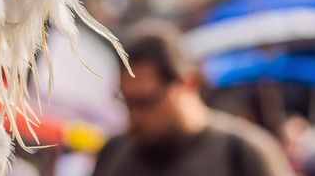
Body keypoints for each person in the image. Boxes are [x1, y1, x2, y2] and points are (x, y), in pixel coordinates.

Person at [92, 21, 294, 176]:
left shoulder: (242, 153)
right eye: (127, 101)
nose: (134, 116)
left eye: (146, 102)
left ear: (187, 83)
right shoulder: (115, 152)